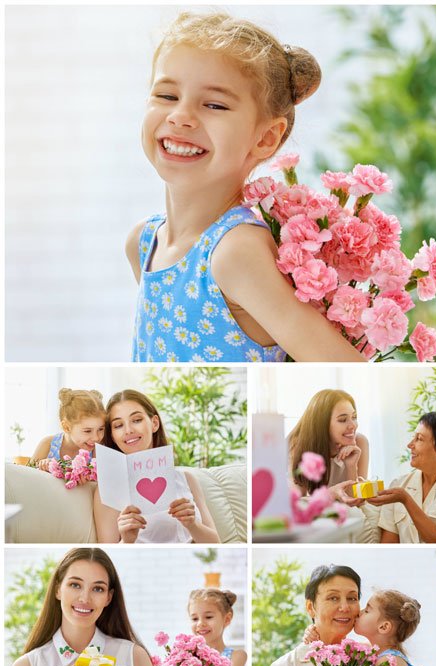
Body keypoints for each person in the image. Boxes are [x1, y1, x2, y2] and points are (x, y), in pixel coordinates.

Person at [127, 11, 365, 365]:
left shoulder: (235, 251)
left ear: (266, 138)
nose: (180, 116)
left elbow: (344, 367)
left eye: (214, 104)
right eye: (166, 95)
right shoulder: (143, 243)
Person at [9, 548, 160, 666]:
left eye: (98, 589)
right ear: (58, 589)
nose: (85, 598)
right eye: (75, 585)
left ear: (108, 597)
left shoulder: (135, 656)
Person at [93, 390, 219, 544]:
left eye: (137, 420)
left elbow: (216, 544)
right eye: (118, 425)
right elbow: (109, 553)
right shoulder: (109, 489)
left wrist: (192, 525)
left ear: (154, 423)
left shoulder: (186, 478)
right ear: (112, 435)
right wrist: (127, 541)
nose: (128, 430)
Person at [261, 565, 372, 666]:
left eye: (352, 598)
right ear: (310, 607)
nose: (345, 607)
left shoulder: (370, 662)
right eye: (333, 598)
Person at [367, 413, 436, 544]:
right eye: (413, 437)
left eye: (419, 439)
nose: (410, 445)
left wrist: (405, 499)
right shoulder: (398, 484)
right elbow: (389, 546)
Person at [354, 591, 433, 666]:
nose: (358, 613)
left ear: (384, 627)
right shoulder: (386, 653)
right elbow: (349, 647)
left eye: (366, 610)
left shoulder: (386, 663)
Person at [289, 389, 369, 494]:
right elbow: (299, 502)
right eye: (342, 420)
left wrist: (351, 466)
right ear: (322, 424)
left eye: (354, 417)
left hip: (348, 509)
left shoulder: (360, 442)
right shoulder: (299, 447)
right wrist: (331, 494)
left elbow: (356, 501)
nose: (353, 425)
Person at [187, 588, 246, 666]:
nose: (200, 623)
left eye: (208, 617)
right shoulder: (189, 658)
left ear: (227, 619)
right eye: (194, 619)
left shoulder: (237, 656)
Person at [30, 388, 105, 471]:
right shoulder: (48, 444)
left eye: (101, 429)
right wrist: (42, 467)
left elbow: (99, 481)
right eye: (87, 431)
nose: (96, 438)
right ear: (67, 427)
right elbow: (26, 477)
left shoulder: (98, 449)